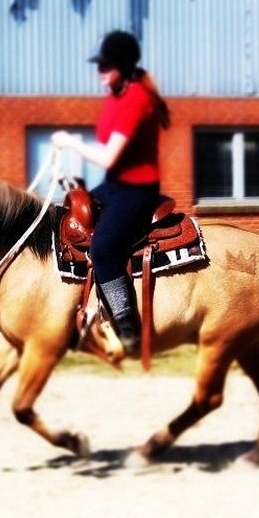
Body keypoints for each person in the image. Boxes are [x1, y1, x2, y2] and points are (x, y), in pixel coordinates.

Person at [52, 30, 169, 356]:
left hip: (137, 189)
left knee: (102, 249)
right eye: (99, 65)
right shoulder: (118, 96)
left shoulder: (136, 100)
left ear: (122, 66)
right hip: (116, 184)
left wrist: (71, 142)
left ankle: (127, 327)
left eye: (106, 66)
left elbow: (106, 156)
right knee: (70, 217)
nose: (100, 72)